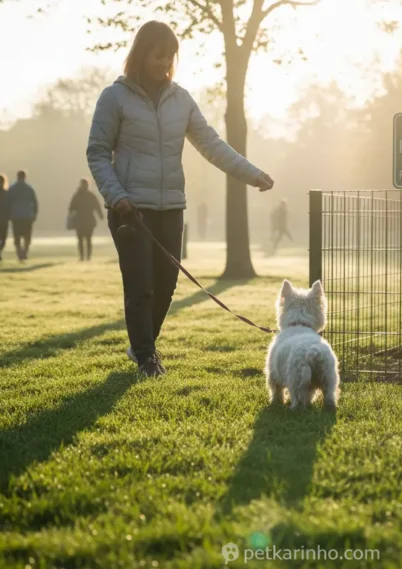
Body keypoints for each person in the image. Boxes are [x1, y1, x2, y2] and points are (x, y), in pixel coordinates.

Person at [87, 20, 274, 378]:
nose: (164, 63)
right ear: (141, 54)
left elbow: (211, 144)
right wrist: (116, 196)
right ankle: (146, 358)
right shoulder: (115, 97)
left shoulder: (181, 100)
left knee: (166, 286)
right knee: (140, 286)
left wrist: (251, 173)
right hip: (130, 209)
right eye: (158, 55)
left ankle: (140, 345)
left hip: (171, 206)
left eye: (170, 56)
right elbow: (97, 151)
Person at [68, 178, 104, 261]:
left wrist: (70, 217)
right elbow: (97, 207)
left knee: (84, 239)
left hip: (82, 221)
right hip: (87, 221)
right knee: (85, 240)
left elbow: (71, 208)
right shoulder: (90, 195)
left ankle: (85, 257)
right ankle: (85, 257)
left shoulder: (78, 195)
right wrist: (100, 216)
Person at [7, 170, 39, 261]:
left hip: (16, 215)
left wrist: (8, 214)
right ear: (25, 177)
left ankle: (19, 252)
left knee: (17, 236)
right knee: (27, 236)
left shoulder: (12, 188)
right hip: (27, 215)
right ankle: (25, 251)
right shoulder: (29, 188)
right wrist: (35, 213)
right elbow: (35, 202)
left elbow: (7, 202)